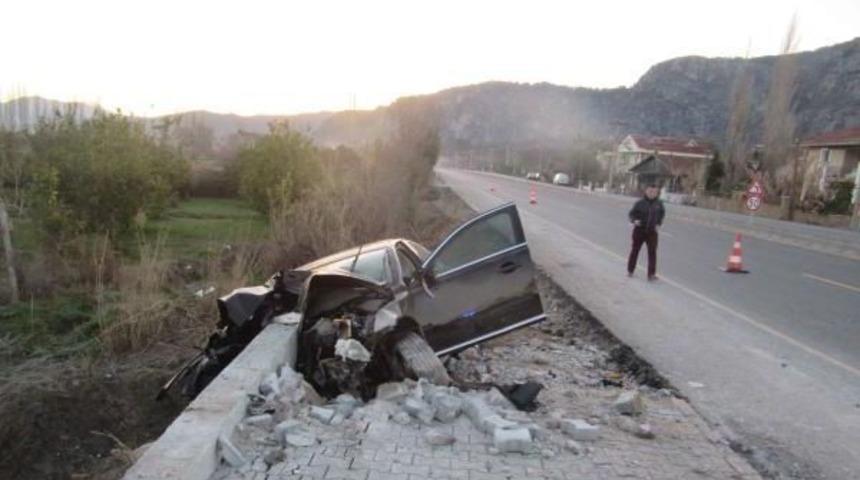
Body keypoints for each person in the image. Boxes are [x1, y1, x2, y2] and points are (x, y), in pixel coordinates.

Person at [627, 184, 665, 280]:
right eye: (650, 191)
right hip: (639, 230)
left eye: (654, 192)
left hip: (652, 232)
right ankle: (630, 270)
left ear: (657, 193)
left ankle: (651, 274)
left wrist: (659, 223)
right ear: (646, 192)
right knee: (635, 250)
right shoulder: (639, 203)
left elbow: (662, 214)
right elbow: (631, 214)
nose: (652, 194)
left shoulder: (659, 204)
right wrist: (634, 220)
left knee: (652, 252)